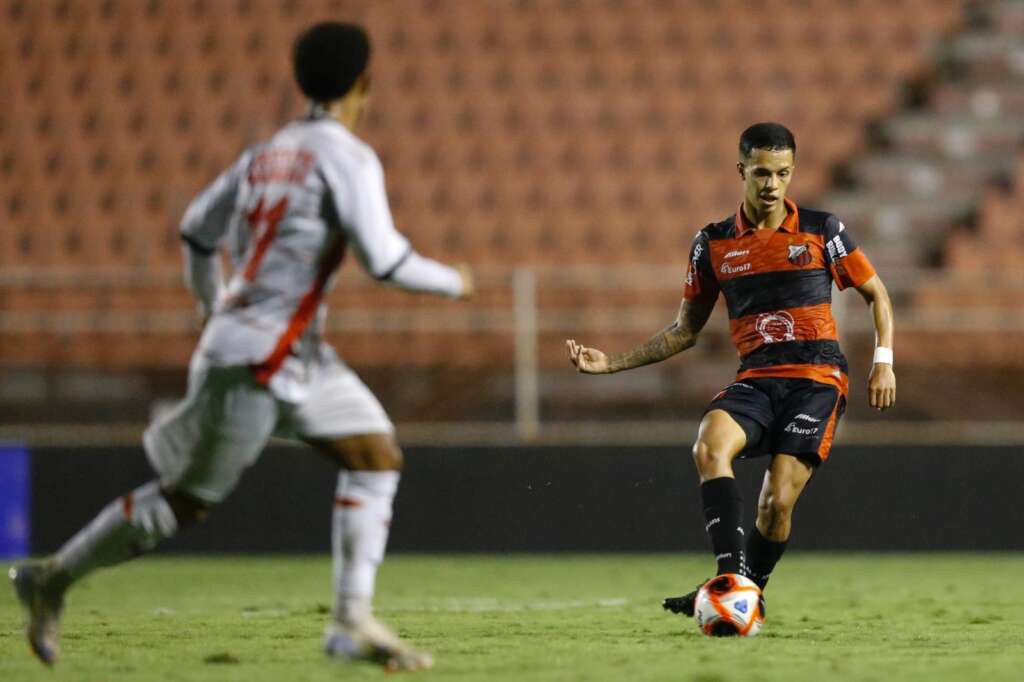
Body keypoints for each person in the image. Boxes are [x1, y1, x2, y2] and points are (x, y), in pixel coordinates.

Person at [9, 22, 471, 672]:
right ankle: (51, 579)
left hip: (284, 352)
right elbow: (386, 259)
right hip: (264, 357)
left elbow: (197, 232)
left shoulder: (267, 152)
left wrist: (210, 307)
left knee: (375, 454)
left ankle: (350, 621)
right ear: (365, 82)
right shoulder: (349, 158)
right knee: (186, 501)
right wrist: (456, 281)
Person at [566, 122, 895, 621]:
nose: (772, 184)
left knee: (775, 504)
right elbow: (684, 330)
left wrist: (883, 362)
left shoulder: (822, 230)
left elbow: (877, 294)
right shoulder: (713, 243)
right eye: (762, 173)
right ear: (741, 170)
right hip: (757, 379)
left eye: (782, 173)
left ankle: (745, 593)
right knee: (708, 444)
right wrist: (612, 362)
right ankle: (728, 583)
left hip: (816, 379)